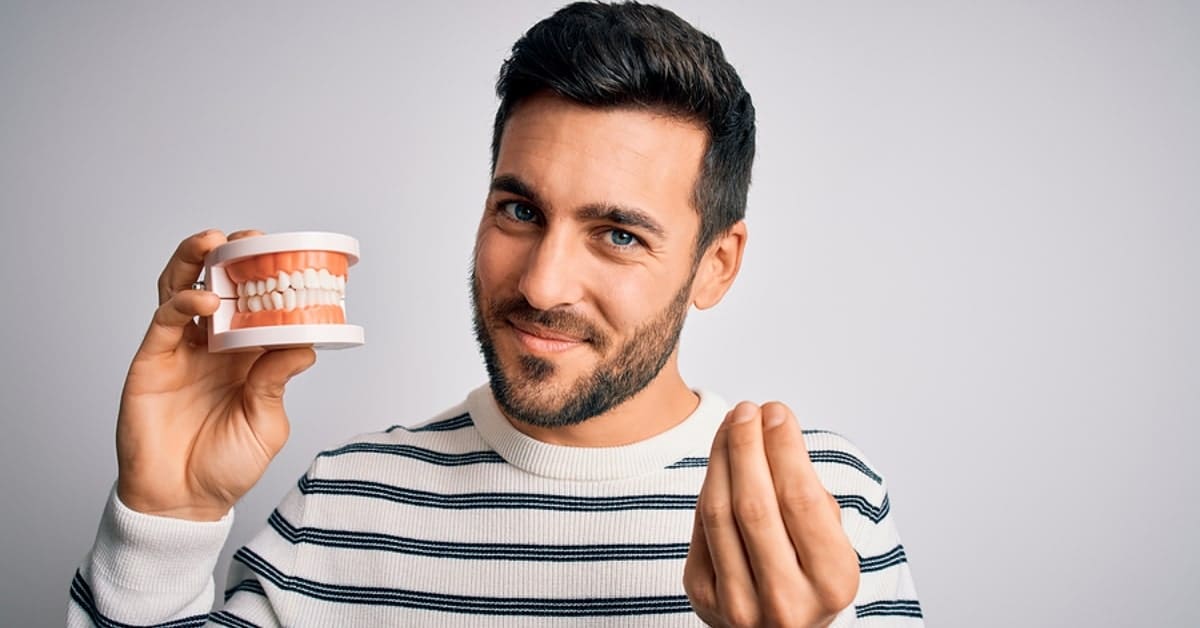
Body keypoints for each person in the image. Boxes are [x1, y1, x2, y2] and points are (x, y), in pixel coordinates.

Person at [69, 2, 922, 626]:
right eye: (519, 212)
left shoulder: (818, 507)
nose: (543, 285)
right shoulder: (345, 504)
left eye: (618, 234)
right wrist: (163, 523)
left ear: (716, 265)